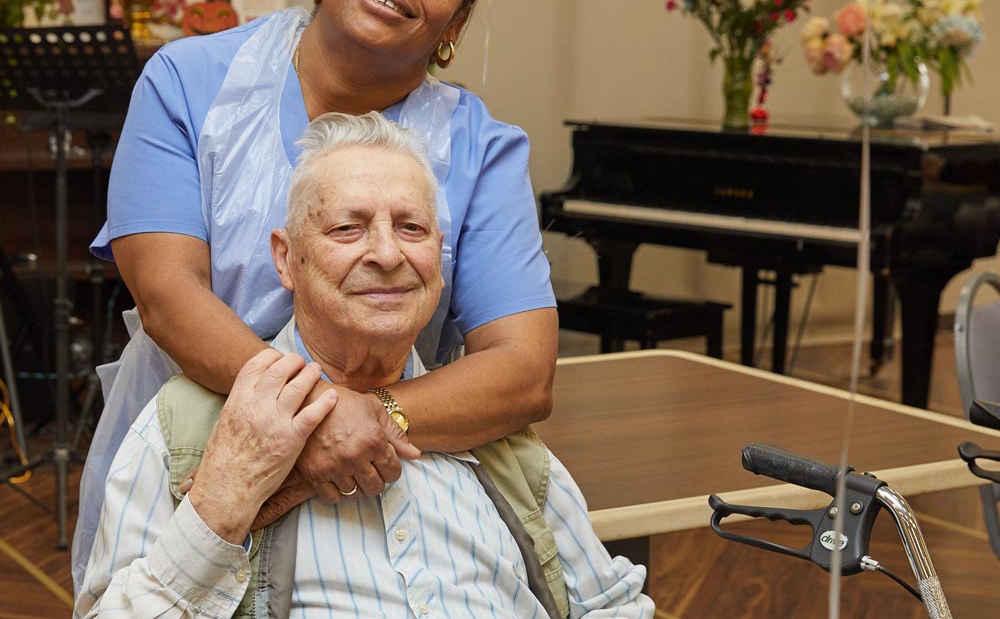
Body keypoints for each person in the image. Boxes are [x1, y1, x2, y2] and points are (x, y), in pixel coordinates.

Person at [72, 0, 558, 588]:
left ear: (455, 23)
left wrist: (373, 416)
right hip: (187, 460)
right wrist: (311, 419)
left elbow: (523, 371)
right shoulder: (187, 80)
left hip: (375, 479)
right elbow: (167, 294)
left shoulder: (481, 151)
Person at [75, 114, 653, 619]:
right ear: (287, 259)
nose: (386, 253)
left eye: (412, 228)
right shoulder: (189, 430)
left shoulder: (496, 440)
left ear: (439, 260)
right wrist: (221, 508)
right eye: (347, 228)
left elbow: (609, 604)